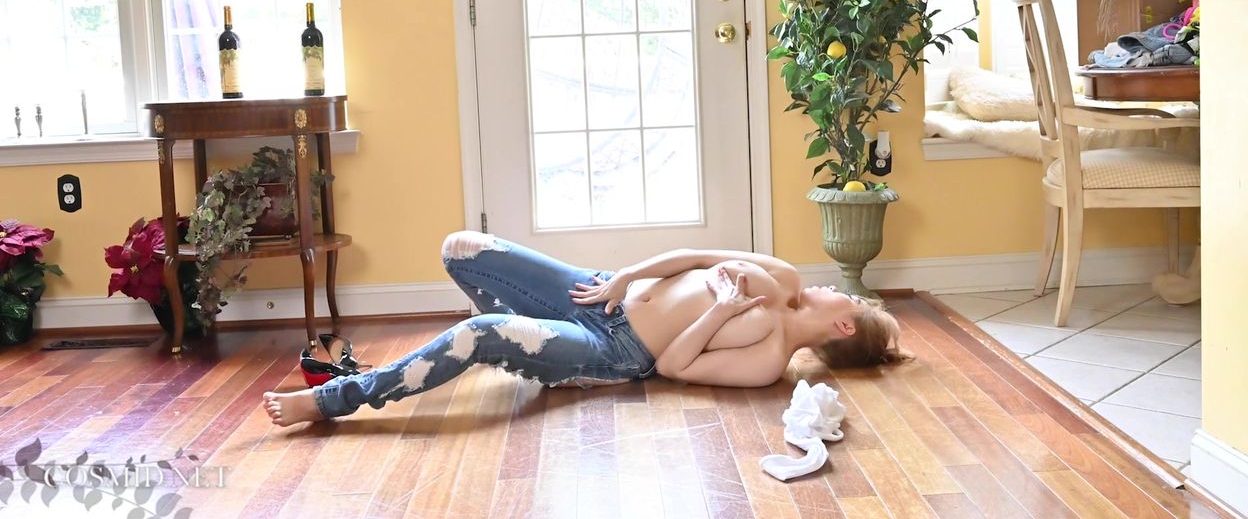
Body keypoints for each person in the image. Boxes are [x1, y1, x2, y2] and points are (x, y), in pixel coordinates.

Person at [262, 231, 908, 426]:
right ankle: (532, 344)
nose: (834, 286)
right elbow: (693, 255)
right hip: (601, 291)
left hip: (616, 347)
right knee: (460, 248)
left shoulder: (767, 359)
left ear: (842, 322)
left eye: (845, 296)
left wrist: (720, 311)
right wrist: (625, 276)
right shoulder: (784, 275)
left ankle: (333, 398)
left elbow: (673, 366)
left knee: (478, 336)